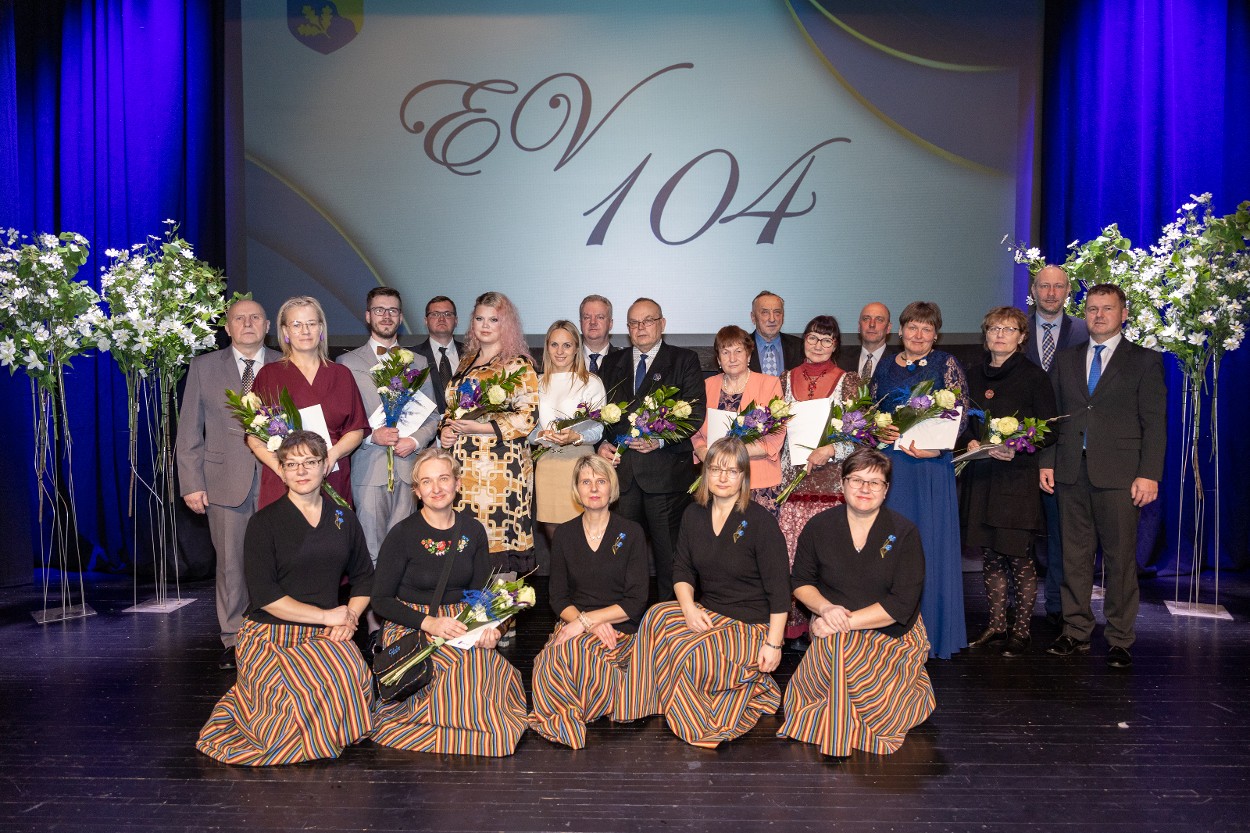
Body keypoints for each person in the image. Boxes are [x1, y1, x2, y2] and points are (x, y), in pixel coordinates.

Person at [196, 431, 375, 765]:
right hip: (270, 634)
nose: (302, 471)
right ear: (281, 470)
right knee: (298, 704)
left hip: (326, 631)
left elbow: (365, 577)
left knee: (348, 672)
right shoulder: (264, 523)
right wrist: (328, 617)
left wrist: (348, 619)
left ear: (325, 466)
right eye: (292, 464)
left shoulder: (343, 517)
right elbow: (265, 596)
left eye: (310, 462)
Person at [616, 437, 790, 748]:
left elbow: (780, 591)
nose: (723, 478)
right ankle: (644, 703)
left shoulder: (761, 522)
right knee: (656, 616)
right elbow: (681, 570)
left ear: (744, 477)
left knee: (691, 654)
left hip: (750, 625)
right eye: (716, 469)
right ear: (705, 473)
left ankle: (705, 718)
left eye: (732, 471)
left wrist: (774, 644)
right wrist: (689, 609)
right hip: (710, 612)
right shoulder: (693, 514)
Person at [778, 448, 935, 757]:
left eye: (875, 482)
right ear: (843, 483)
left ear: (886, 489)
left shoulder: (904, 533)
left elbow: (901, 605)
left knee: (846, 658)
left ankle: (872, 712)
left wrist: (839, 623)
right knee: (839, 650)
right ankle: (841, 723)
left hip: (889, 631)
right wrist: (825, 609)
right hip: (832, 621)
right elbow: (801, 583)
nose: (865, 489)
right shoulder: (819, 527)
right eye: (857, 480)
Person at [370, 448, 528, 756]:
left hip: (461, 621)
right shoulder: (402, 535)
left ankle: (479, 726)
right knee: (454, 675)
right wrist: (430, 623)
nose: (436, 488)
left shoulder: (473, 530)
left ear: (457, 483)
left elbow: (480, 593)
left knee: (482, 671)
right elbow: (381, 600)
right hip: (413, 624)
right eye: (427, 482)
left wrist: (488, 629)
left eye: (444, 478)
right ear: (416, 491)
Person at [1041, 284, 1166, 668]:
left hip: (1120, 475)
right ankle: (1076, 630)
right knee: (1073, 557)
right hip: (1069, 471)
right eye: (1092, 309)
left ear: (1123, 313)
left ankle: (1120, 638)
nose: (1098, 315)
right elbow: (1051, 416)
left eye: (1107, 309)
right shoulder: (1065, 360)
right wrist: (1046, 460)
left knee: (1120, 560)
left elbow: (1155, 423)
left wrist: (1148, 474)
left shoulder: (1144, 361)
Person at [176, 296, 280, 670]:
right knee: (232, 565)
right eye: (240, 318)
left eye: (256, 317)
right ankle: (234, 640)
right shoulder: (204, 367)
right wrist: (191, 482)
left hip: (278, 480)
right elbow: (189, 429)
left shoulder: (286, 365)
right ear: (227, 326)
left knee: (278, 561)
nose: (248, 323)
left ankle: (275, 634)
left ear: (268, 326)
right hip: (223, 482)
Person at [529, 455, 649, 749]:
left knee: (580, 658)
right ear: (577, 490)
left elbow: (635, 602)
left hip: (620, 629)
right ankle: (565, 717)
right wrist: (584, 623)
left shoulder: (632, 533)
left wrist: (589, 622)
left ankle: (576, 711)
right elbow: (557, 597)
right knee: (547, 661)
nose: (593, 488)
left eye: (601, 481)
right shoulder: (565, 534)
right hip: (574, 623)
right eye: (586, 482)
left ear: (611, 488)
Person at [870, 300, 969, 659]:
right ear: (900, 331)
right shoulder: (884, 365)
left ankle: (933, 635)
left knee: (929, 546)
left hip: (929, 467)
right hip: (894, 467)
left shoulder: (947, 364)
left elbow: (962, 414)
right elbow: (872, 412)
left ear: (936, 335)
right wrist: (882, 427)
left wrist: (938, 448)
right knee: (892, 548)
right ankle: (891, 635)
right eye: (913, 327)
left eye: (927, 329)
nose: (918, 334)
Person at [959, 306, 1058, 657]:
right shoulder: (972, 374)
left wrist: (1016, 446)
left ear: (1021, 336)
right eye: (993, 328)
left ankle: (1022, 630)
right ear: (985, 336)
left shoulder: (1034, 376)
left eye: (1008, 329)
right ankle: (996, 625)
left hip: (1016, 479)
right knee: (990, 555)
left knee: (1018, 556)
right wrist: (969, 439)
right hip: (983, 476)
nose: (999, 334)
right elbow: (963, 420)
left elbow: (1049, 427)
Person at [597, 298, 706, 603]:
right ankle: (624, 622)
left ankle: (670, 624)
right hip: (624, 476)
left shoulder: (684, 360)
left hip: (666, 476)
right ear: (626, 328)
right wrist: (602, 443)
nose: (640, 327)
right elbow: (598, 415)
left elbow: (695, 414)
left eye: (648, 321)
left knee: (670, 558)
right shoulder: (610, 363)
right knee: (621, 556)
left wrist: (659, 440)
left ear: (662, 324)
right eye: (634, 322)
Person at [438, 291, 539, 573]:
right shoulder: (466, 361)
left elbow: (528, 417)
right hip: (464, 468)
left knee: (499, 548)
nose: (484, 325)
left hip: (501, 469)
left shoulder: (518, 364)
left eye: (493, 319)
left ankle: (502, 616)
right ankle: (469, 614)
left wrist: (479, 428)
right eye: (479, 318)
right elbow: (452, 409)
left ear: (505, 324)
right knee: (465, 547)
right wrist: (446, 428)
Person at [337, 287, 440, 562]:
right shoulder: (346, 363)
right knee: (370, 551)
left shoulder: (418, 362)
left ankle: (398, 606)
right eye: (380, 310)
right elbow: (341, 419)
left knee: (404, 552)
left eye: (392, 310)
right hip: (367, 469)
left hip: (408, 471)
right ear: (368, 316)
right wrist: (371, 437)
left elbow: (432, 416)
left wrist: (415, 441)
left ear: (401, 317)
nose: (386, 315)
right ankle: (371, 607)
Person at [776, 315, 861, 646]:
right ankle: (794, 628)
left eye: (827, 340)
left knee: (828, 560)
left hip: (832, 486)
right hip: (792, 485)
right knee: (791, 557)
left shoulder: (849, 381)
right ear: (804, 340)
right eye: (813, 337)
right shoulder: (783, 380)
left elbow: (862, 436)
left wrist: (832, 448)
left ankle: (826, 626)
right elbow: (774, 429)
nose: (819, 345)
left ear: (836, 345)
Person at [248, 295, 369, 510]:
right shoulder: (269, 375)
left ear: (321, 328)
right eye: (296, 324)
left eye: (311, 324)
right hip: (283, 481)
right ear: (285, 332)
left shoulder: (341, 374)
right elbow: (253, 437)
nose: (305, 331)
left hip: (331, 473)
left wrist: (330, 457)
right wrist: (282, 468)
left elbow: (356, 430)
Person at [1023, 265, 1088, 625]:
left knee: (1064, 532)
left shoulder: (1084, 329)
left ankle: (1058, 607)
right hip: (1018, 446)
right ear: (1033, 289)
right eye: (1044, 286)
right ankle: (1017, 607)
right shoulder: (1014, 328)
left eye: (1058, 287)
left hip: (1066, 446)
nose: (1050, 293)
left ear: (1068, 292)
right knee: (1020, 530)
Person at [691, 325, 786, 515]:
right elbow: (696, 431)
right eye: (725, 352)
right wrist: (703, 452)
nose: (732, 358)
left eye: (738, 351)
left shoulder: (770, 384)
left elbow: (775, 437)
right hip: (718, 482)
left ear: (749, 355)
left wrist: (729, 456)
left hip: (759, 483)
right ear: (718, 359)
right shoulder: (706, 386)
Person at [530, 320, 606, 543]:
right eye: (554, 345)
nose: (560, 351)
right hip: (547, 463)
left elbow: (598, 428)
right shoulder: (536, 382)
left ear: (577, 348)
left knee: (585, 533)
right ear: (547, 347)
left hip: (580, 462)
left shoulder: (591, 382)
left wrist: (576, 437)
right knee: (556, 537)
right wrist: (540, 436)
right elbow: (526, 428)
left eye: (567, 345)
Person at [413, 295, 463, 413]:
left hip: (468, 428)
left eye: (447, 314)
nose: (441, 319)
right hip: (429, 428)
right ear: (426, 321)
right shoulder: (412, 357)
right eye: (435, 314)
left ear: (456, 320)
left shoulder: (473, 354)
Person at [747, 290, 804, 376]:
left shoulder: (800, 347)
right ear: (753, 317)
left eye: (777, 312)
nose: (772, 319)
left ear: (783, 316)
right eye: (765, 313)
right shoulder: (740, 347)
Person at [844, 302, 894, 377]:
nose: (872, 324)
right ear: (859, 326)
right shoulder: (840, 359)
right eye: (866, 319)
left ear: (888, 328)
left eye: (879, 319)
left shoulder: (898, 362)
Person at [579, 294, 619, 375]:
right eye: (587, 317)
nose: (593, 322)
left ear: (610, 324)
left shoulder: (623, 361)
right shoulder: (568, 358)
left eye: (600, 317)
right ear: (580, 323)